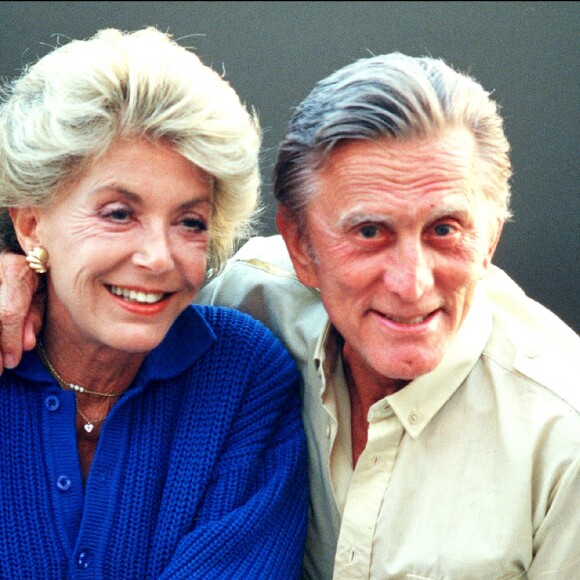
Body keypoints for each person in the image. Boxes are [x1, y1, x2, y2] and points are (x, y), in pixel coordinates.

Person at [1, 52, 579, 579]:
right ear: (300, 248)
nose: (411, 283)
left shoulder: (242, 369)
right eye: (370, 231)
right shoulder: (254, 298)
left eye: (445, 229)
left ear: (491, 236)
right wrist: (17, 269)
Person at [0, 27, 308, 578]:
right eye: (119, 213)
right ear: (30, 225)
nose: (159, 258)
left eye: (190, 222)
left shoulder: (243, 378)